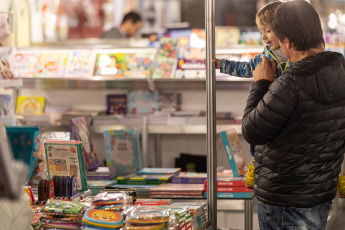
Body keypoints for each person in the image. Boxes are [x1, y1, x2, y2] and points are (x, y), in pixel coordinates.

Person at [241, 1, 345, 229]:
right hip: (320, 193)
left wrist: (260, 83)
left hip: (285, 200)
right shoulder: (339, 69)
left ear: (286, 40)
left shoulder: (291, 82)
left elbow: (252, 130)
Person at [213, 1, 289, 189]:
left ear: (283, 28)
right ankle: (255, 162)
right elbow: (245, 68)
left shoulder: (299, 55)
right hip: (272, 106)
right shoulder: (264, 57)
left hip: (295, 108)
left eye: (268, 30)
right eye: (260, 31)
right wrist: (222, 65)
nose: (264, 36)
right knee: (259, 137)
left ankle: (337, 173)